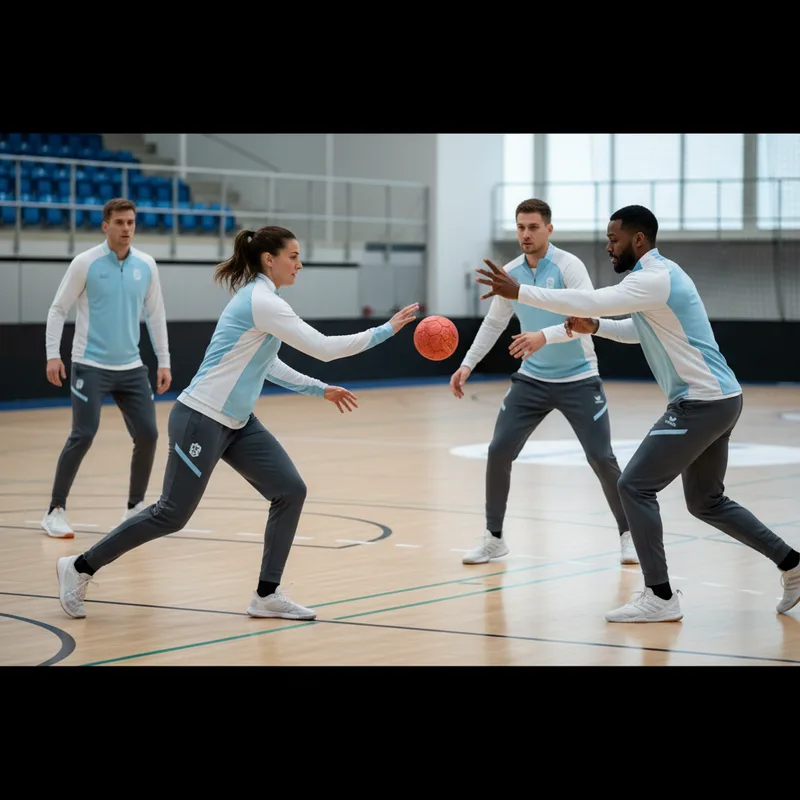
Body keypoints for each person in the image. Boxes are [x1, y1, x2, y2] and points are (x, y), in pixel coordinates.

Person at [55, 225, 419, 621]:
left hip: (238, 423)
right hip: (200, 417)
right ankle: (79, 567)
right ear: (269, 260)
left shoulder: (267, 301)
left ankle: (266, 594)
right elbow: (325, 348)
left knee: (290, 490)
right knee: (171, 514)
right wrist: (387, 330)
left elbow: (268, 365)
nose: (299, 264)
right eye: (293, 256)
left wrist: (318, 389)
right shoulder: (261, 301)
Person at [476, 203, 800, 622]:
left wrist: (520, 291)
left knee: (633, 486)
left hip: (701, 402)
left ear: (639, 239)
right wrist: (596, 327)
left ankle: (660, 596)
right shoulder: (656, 277)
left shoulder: (653, 278)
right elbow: (636, 329)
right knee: (707, 502)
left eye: (614, 240)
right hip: (721, 399)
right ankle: (792, 564)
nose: (609, 247)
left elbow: (590, 300)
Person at [451, 198, 634, 566]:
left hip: (579, 378)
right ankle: (494, 538)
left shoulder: (569, 266)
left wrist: (543, 337)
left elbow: (585, 318)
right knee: (498, 451)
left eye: (533, 227)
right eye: (521, 227)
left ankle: (630, 535)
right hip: (531, 381)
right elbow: (494, 322)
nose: (526, 234)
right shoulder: (509, 273)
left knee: (602, 457)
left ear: (549, 229)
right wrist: (467, 364)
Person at [42, 198, 171, 539]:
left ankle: (135, 507)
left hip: (132, 367)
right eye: (119, 222)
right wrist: (53, 354)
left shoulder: (147, 265)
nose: (126, 228)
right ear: (105, 226)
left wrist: (164, 361)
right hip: (90, 365)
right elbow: (58, 309)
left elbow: (156, 315)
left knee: (148, 434)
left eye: (131, 222)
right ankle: (55, 511)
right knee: (83, 434)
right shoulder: (85, 263)